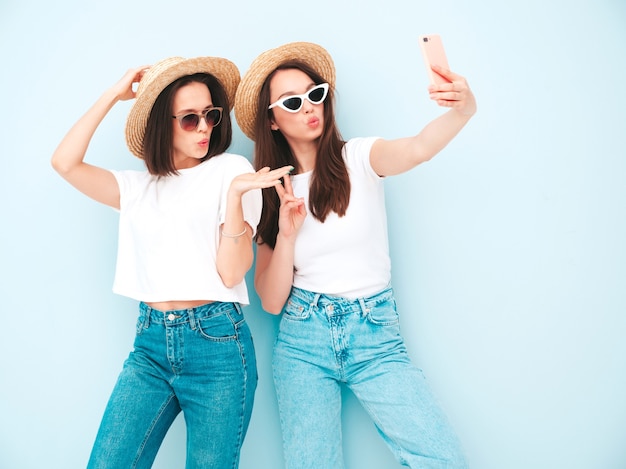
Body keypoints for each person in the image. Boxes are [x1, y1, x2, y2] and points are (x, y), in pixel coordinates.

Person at [234, 42, 477, 468]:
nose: (310, 107)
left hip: (374, 333)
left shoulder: (359, 157)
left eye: (316, 93)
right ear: (272, 121)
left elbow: (418, 147)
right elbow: (271, 302)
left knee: (443, 458)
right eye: (293, 101)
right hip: (302, 341)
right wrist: (287, 235)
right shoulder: (269, 192)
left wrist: (462, 109)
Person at [51, 56, 292, 468]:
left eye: (211, 115)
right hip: (149, 346)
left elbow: (233, 273)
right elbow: (64, 163)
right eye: (189, 119)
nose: (204, 128)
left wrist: (235, 198)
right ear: (163, 122)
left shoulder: (231, 172)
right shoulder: (137, 187)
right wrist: (114, 94)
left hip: (216, 345)